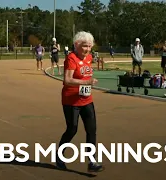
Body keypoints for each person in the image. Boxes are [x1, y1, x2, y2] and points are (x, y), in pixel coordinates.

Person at [56, 31, 104, 172]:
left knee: (91, 130)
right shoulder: (71, 58)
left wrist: (87, 83)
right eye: (85, 46)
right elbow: (67, 80)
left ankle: (92, 161)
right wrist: (86, 81)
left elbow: (85, 72)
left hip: (87, 99)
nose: (88, 49)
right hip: (71, 101)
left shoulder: (88, 57)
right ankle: (59, 155)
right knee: (72, 129)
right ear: (76, 45)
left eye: (90, 46)